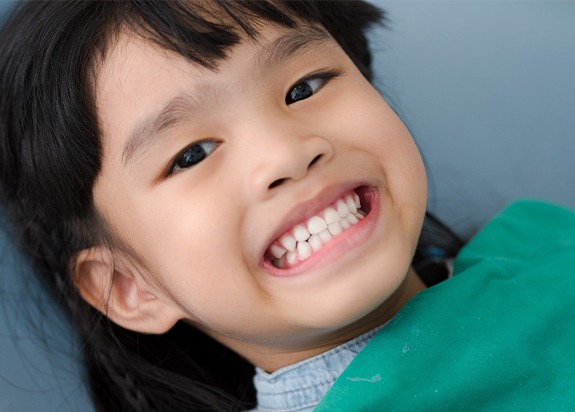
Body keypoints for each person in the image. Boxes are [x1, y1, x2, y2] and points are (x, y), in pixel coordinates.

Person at [0, 1, 572, 411]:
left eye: (305, 87)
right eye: (192, 154)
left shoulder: (547, 248)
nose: (286, 155)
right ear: (130, 287)